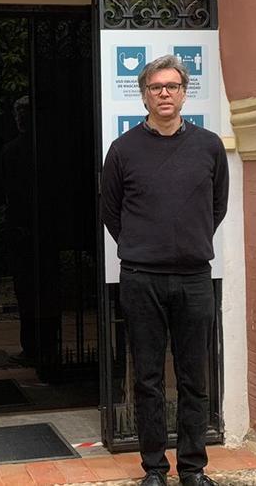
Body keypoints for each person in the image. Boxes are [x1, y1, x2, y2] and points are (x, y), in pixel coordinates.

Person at [100, 55, 229, 486]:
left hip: (194, 279)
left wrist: (186, 242)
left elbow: (217, 206)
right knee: (149, 379)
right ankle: (154, 469)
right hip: (141, 278)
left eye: (172, 86)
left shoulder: (209, 146)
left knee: (195, 379)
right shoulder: (123, 150)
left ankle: (193, 469)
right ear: (144, 95)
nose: (165, 94)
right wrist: (144, 247)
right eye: (156, 88)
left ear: (184, 92)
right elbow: (111, 211)